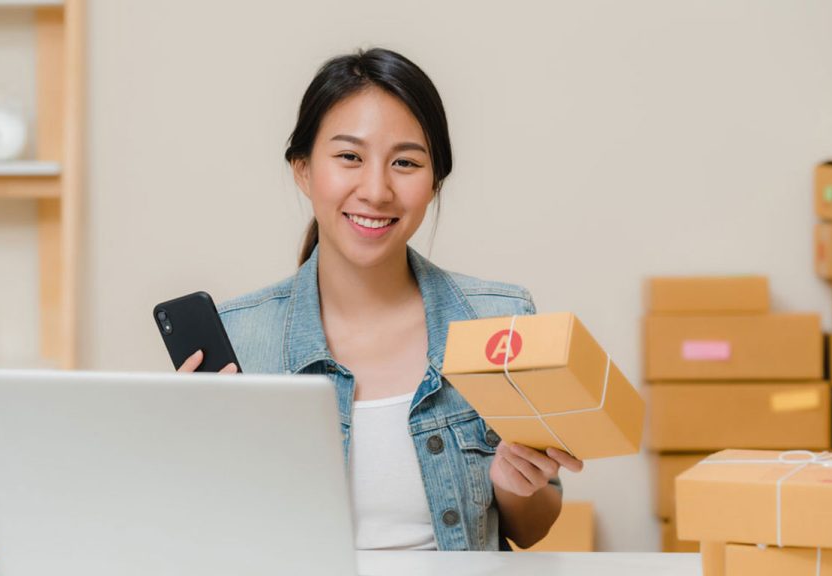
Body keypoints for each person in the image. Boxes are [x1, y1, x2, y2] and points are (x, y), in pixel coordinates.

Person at [178, 47, 583, 552]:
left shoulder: (498, 323)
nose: (376, 189)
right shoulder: (237, 340)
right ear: (303, 170)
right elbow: (212, 535)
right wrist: (193, 454)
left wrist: (512, 483)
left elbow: (532, 527)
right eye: (349, 156)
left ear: (434, 182)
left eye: (405, 163)